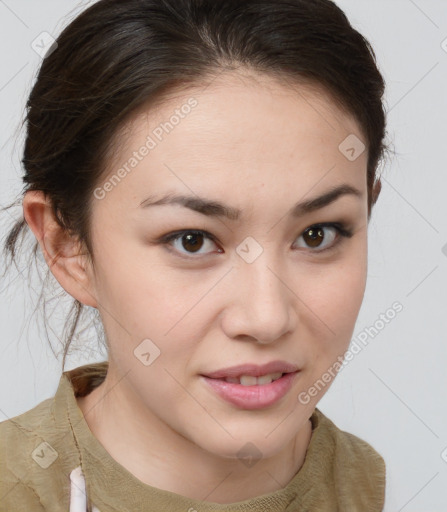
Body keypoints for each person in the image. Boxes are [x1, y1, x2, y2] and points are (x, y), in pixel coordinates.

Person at [0, 0, 391, 510]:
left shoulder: (366, 486)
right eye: (193, 240)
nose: (266, 318)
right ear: (67, 246)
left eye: (318, 234)